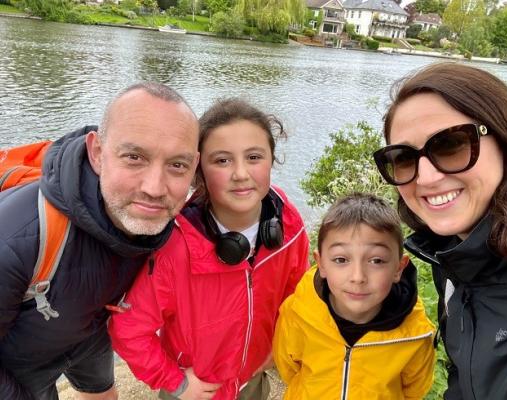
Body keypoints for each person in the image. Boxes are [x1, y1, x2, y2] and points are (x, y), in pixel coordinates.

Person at [0, 82, 200, 400]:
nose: (155, 187)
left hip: (88, 333)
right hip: (21, 362)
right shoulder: (17, 240)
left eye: (177, 165)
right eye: (134, 157)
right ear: (97, 153)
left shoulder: (168, 222)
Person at [108, 98, 310, 400]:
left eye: (254, 157)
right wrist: (173, 381)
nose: (241, 173)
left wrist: (278, 347)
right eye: (222, 161)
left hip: (252, 381)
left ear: (272, 159)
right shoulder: (175, 246)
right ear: (199, 170)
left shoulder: (290, 226)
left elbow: (297, 298)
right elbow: (128, 329)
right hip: (196, 390)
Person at [372, 62, 507, 399]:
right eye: (404, 158)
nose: (425, 178)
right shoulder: (456, 261)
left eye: (451, 144)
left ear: (506, 142)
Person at [273, 193, 436, 399]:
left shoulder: (415, 335)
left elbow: (414, 390)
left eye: (376, 261)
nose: (358, 277)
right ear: (321, 263)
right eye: (341, 259)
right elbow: (288, 367)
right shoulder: (298, 313)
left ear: (398, 268)